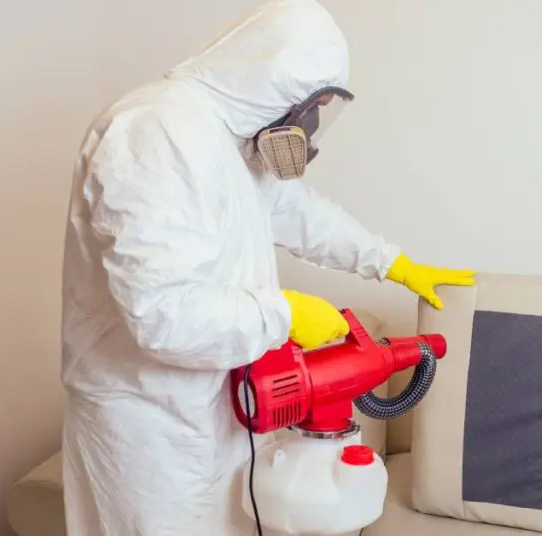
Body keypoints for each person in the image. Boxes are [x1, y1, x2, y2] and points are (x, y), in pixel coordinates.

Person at [58, 1, 474, 534]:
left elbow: (295, 211)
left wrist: (390, 262)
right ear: (273, 79)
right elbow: (161, 315)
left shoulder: (229, 139)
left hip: (217, 406)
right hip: (149, 430)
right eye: (309, 107)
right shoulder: (154, 133)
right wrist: (284, 312)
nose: (308, 125)